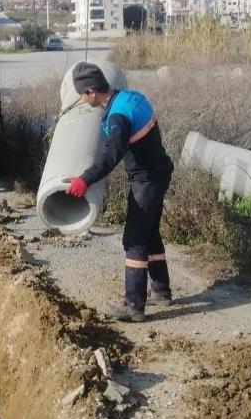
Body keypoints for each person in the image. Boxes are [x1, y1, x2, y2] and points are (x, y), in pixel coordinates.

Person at [65, 62, 174, 322]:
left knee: (134, 240)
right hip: (159, 172)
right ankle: (161, 290)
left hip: (146, 179)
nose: (81, 99)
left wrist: (85, 180)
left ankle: (134, 306)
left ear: (91, 91)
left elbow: (112, 153)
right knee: (149, 234)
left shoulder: (118, 117)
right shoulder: (129, 97)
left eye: (81, 94)